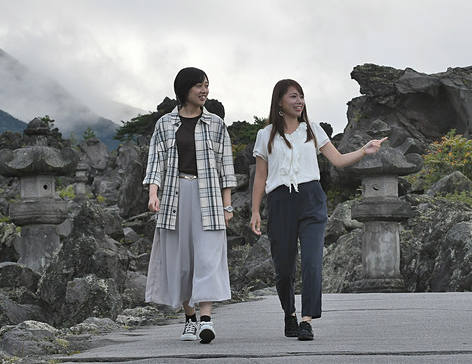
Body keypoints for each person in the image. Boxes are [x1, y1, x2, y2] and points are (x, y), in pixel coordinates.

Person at [250, 79, 386, 341]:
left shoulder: (313, 130)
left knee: (312, 262)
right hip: (279, 202)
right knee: (284, 268)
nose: (299, 101)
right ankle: (289, 313)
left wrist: (364, 150)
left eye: (301, 96)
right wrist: (255, 211)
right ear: (279, 101)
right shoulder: (265, 135)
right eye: (293, 96)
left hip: (311, 198)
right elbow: (260, 177)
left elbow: (337, 160)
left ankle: (306, 320)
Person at [143, 67, 236, 344]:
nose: (204, 90)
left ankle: (206, 320)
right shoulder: (165, 124)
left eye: (206, 85)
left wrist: (227, 205)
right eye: (199, 86)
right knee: (181, 260)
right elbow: (155, 162)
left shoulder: (216, 124)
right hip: (175, 195)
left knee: (208, 256)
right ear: (185, 89)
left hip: (208, 197)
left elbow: (226, 167)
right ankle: (189, 319)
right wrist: (153, 193)